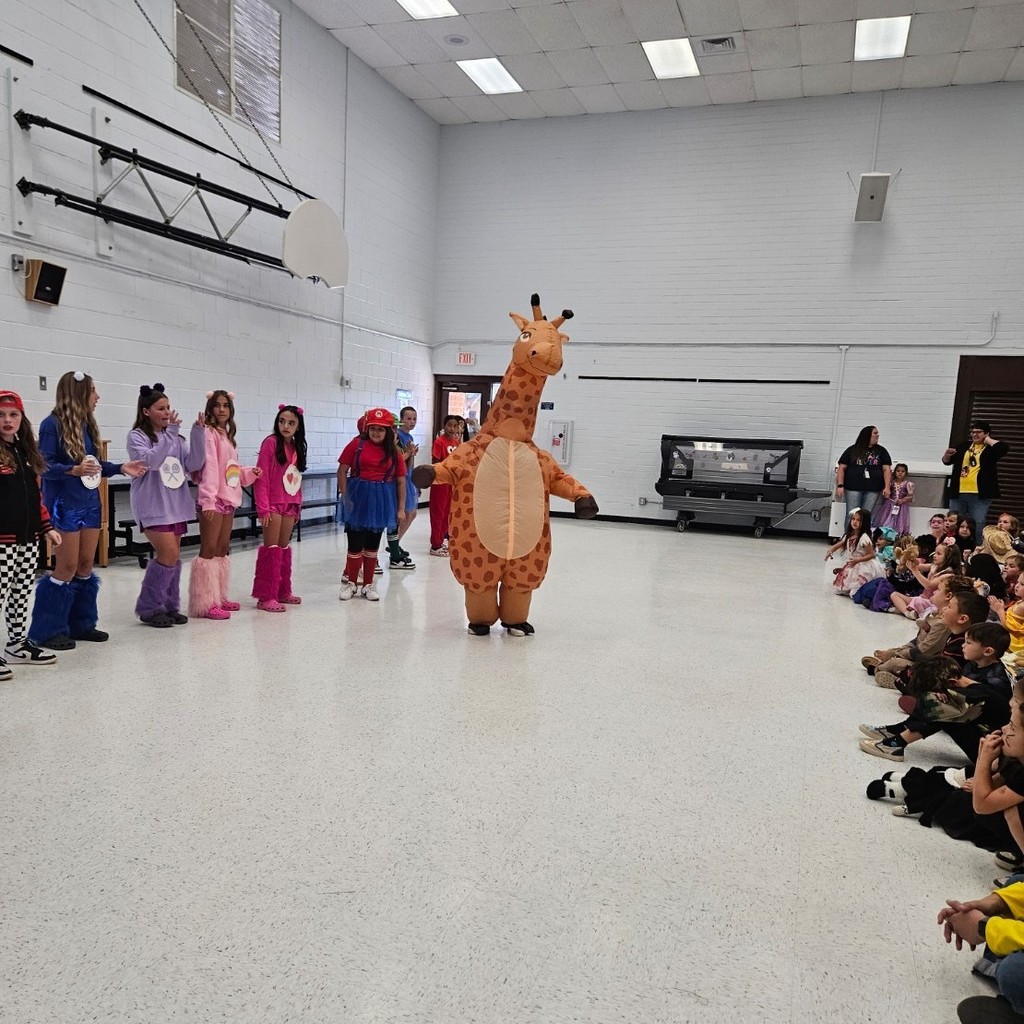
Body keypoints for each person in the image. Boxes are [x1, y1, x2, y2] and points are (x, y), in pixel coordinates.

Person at [28, 371, 145, 650]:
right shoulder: (50, 425)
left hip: (90, 503)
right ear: (79, 393)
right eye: (93, 391)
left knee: (84, 565)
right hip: (64, 504)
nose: (98, 397)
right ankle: (47, 629)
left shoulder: (88, 425)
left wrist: (120, 468)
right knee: (65, 566)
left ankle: (82, 623)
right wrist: (72, 469)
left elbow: (94, 465)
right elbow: (43, 465)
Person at [859, 589, 991, 761]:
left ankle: (896, 742)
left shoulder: (994, 675)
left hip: (987, 751)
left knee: (943, 706)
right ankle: (897, 732)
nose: (944, 609)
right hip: (978, 732)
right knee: (941, 702)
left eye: (949, 606)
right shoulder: (969, 653)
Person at [127, 384, 206, 627]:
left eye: (168, 407)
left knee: (174, 556)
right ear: (146, 411)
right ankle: (150, 608)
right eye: (161, 408)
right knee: (167, 554)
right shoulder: (137, 436)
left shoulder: (177, 438)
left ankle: (169, 605)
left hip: (175, 504)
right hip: (152, 504)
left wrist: (197, 433)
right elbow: (151, 461)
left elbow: (194, 463)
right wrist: (170, 434)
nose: (167, 412)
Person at [0, 390, 61, 672]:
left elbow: (36, 496)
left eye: (13, 415)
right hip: (3, 540)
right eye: (1, 415)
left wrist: (46, 526)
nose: (7, 420)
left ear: (22, 418)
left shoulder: (26, 452)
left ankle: (16, 644)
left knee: (21, 593)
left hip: (28, 539)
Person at [187, 390, 261, 620]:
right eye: (217, 405)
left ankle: (218, 596)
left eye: (225, 405)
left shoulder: (227, 435)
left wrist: (249, 473)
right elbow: (209, 468)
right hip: (214, 499)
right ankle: (204, 603)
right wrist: (207, 500)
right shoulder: (209, 433)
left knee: (221, 549)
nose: (221, 409)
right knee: (208, 550)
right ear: (210, 408)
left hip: (228, 498)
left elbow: (230, 468)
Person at [337, 407, 406, 602]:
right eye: (373, 428)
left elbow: (401, 481)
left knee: (372, 545)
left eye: (381, 429)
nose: (376, 432)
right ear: (367, 428)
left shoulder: (395, 453)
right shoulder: (356, 445)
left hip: (381, 500)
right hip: (358, 498)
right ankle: (351, 583)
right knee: (355, 543)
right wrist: (345, 496)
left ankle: (368, 585)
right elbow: (342, 471)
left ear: (388, 431)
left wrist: (401, 508)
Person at [252, 405, 306, 612]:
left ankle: (283, 591)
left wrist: (298, 505)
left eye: (291, 423)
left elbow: (296, 479)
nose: (286, 426)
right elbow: (262, 477)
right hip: (272, 504)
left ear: (298, 426)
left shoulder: (296, 447)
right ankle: (265, 596)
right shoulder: (270, 443)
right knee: (271, 549)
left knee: (283, 549)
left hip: (290, 504)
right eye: (282, 421)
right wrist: (263, 508)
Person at [943, 421, 1010, 542]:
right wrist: (946, 455)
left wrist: (988, 440)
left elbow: (1004, 448)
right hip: (958, 491)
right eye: (973, 432)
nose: (975, 434)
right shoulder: (964, 446)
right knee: (954, 521)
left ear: (986, 433)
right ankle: (952, 547)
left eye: (978, 432)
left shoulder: (990, 449)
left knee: (977, 522)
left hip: (980, 493)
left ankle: (975, 548)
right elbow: (947, 461)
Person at [889, 541, 963, 620]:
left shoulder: (948, 574)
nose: (934, 555)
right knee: (894, 595)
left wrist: (914, 570)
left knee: (917, 601)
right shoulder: (934, 566)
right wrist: (908, 560)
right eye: (935, 552)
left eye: (939, 554)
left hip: (933, 603)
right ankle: (908, 613)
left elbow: (929, 585)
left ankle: (910, 611)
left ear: (949, 557)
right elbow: (918, 566)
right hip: (923, 598)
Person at [383, 405, 418, 570]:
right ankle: (394, 546)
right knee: (402, 515)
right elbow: (396, 461)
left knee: (411, 513)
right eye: (408, 418)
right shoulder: (395, 439)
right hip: (398, 480)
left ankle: (395, 544)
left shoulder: (407, 437)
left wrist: (411, 454)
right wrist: (409, 453)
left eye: (414, 419)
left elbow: (408, 463)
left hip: (407, 478)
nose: (411, 422)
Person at [835, 425, 892, 518]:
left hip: (873, 488)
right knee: (852, 514)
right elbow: (841, 468)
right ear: (867, 435)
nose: (878, 435)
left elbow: (887, 470)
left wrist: (887, 487)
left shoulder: (881, 451)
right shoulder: (852, 449)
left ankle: (863, 533)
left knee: (866, 514)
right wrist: (840, 485)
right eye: (875, 433)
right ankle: (850, 533)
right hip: (853, 487)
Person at [429, 414, 463, 556]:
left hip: (452, 483)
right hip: (440, 482)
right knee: (438, 513)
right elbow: (436, 461)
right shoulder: (439, 442)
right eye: (449, 425)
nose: (452, 428)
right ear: (444, 426)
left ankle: (442, 539)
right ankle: (435, 545)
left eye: (455, 426)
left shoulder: (458, 444)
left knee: (447, 513)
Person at [872, 462, 915, 534]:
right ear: (895, 472)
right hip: (889, 505)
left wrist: (903, 500)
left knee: (900, 521)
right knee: (887, 520)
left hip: (902, 506)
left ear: (906, 473)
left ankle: (897, 535)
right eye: (898, 471)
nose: (900, 473)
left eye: (902, 471)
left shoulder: (908, 484)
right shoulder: (891, 483)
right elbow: (885, 492)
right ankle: (885, 534)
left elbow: (911, 496)